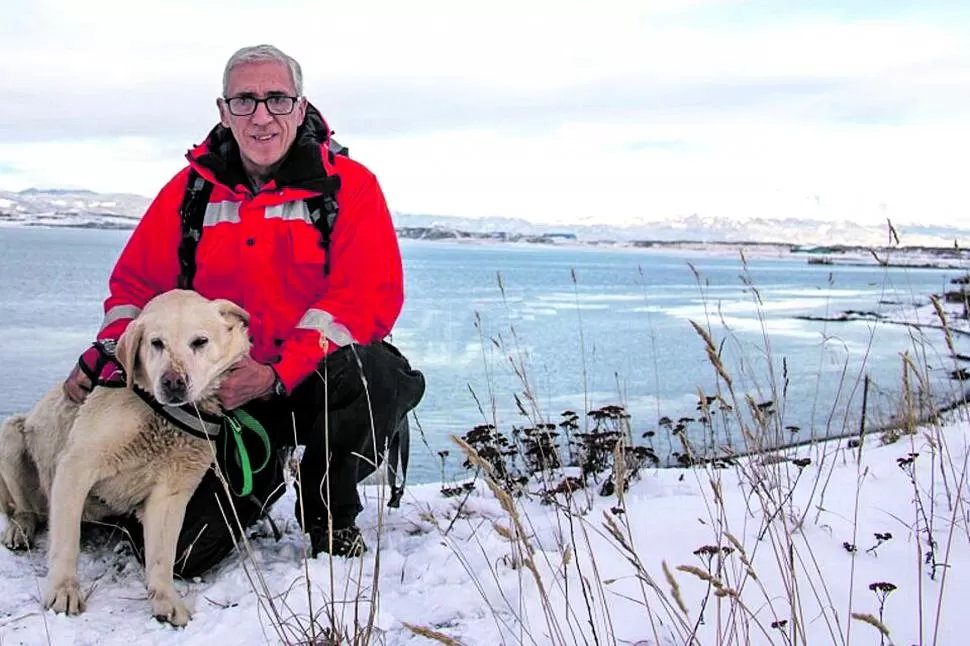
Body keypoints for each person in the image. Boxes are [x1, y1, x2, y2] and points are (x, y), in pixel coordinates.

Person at [63, 44, 426, 575]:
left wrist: (275, 374)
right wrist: (110, 350)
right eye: (245, 101)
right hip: (220, 401)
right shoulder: (191, 192)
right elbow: (134, 288)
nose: (261, 116)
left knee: (372, 373)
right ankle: (256, 478)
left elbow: (364, 298)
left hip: (310, 381)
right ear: (223, 110)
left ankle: (330, 517)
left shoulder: (350, 187)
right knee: (182, 553)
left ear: (300, 109)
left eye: (277, 99)